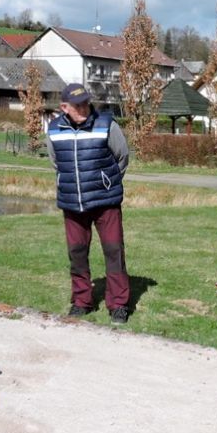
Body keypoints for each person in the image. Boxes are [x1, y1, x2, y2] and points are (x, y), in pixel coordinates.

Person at [46, 83, 131, 324]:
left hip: (106, 201)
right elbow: (56, 162)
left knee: (114, 251)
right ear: (64, 107)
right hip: (72, 202)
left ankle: (118, 305)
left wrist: (107, 182)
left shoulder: (107, 124)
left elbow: (122, 156)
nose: (83, 108)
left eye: (85, 102)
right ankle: (82, 301)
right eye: (77, 105)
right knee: (77, 253)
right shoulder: (53, 130)